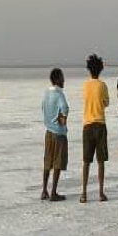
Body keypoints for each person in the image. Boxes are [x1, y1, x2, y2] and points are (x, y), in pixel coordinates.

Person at [81, 55, 110, 204]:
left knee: (86, 161)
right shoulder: (102, 85)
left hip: (87, 125)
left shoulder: (85, 85)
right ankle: (100, 192)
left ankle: (84, 193)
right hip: (100, 124)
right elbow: (106, 103)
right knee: (100, 161)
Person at [41, 69, 69, 201]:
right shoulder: (59, 94)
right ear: (57, 79)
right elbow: (65, 109)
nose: (64, 80)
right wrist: (62, 120)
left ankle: (44, 190)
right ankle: (53, 193)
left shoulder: (47, 93)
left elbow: (43, 108)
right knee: (57, 162)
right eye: (62, 77)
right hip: (59, 132)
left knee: (47, 161)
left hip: (48, 131)